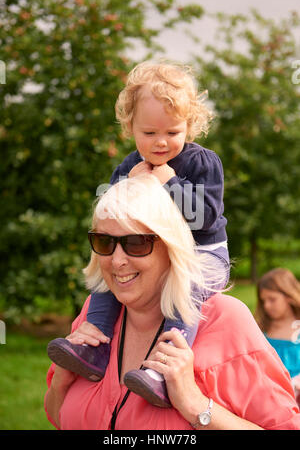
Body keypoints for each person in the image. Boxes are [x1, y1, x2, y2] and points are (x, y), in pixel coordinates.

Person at [44, 175, 300, 430]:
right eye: (104, 241)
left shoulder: (225, 320)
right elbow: (60, 417)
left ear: (171, 246)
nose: (117, 260)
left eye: (135, 242)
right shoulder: (94, 314)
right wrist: (61, 381)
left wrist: (195, 405)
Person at [47, 60, 230, 407]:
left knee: (186, 287)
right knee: (109, 272)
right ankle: (95, 349)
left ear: (189, 127)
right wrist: (131, 187)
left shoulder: (200, 163)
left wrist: (169, 184)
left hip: (203, 254)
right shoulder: (128, 167)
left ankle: (163, 371)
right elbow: (115, 217)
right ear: (130, 127)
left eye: (172, 133)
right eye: (149, 133)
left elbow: (206, 217)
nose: (161, 143)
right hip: (149, 254)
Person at [255, 268, 300, 407]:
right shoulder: (261, 329)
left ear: (289, 297)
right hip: (266, 398)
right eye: (263, 301)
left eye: (272, 299)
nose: (267, 306)